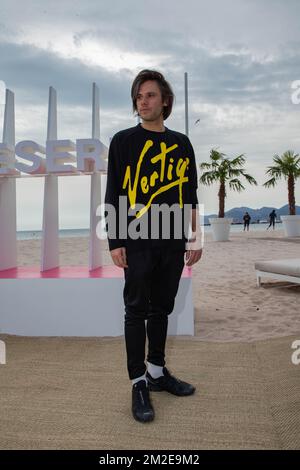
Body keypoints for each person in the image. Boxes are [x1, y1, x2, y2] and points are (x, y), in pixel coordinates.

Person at [104, 70, 203, 423]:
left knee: (162, 307)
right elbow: (114, 190)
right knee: (136, 310)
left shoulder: (181, 143)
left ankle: (157, 372)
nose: (142, 102)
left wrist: (196, 236)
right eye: (139, 97)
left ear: (165, 101)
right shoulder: (123, 141)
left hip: (173, 240)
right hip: (137, 239)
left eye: (149, 96)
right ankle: (138, 383)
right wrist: (116, 241)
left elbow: (190, 194)